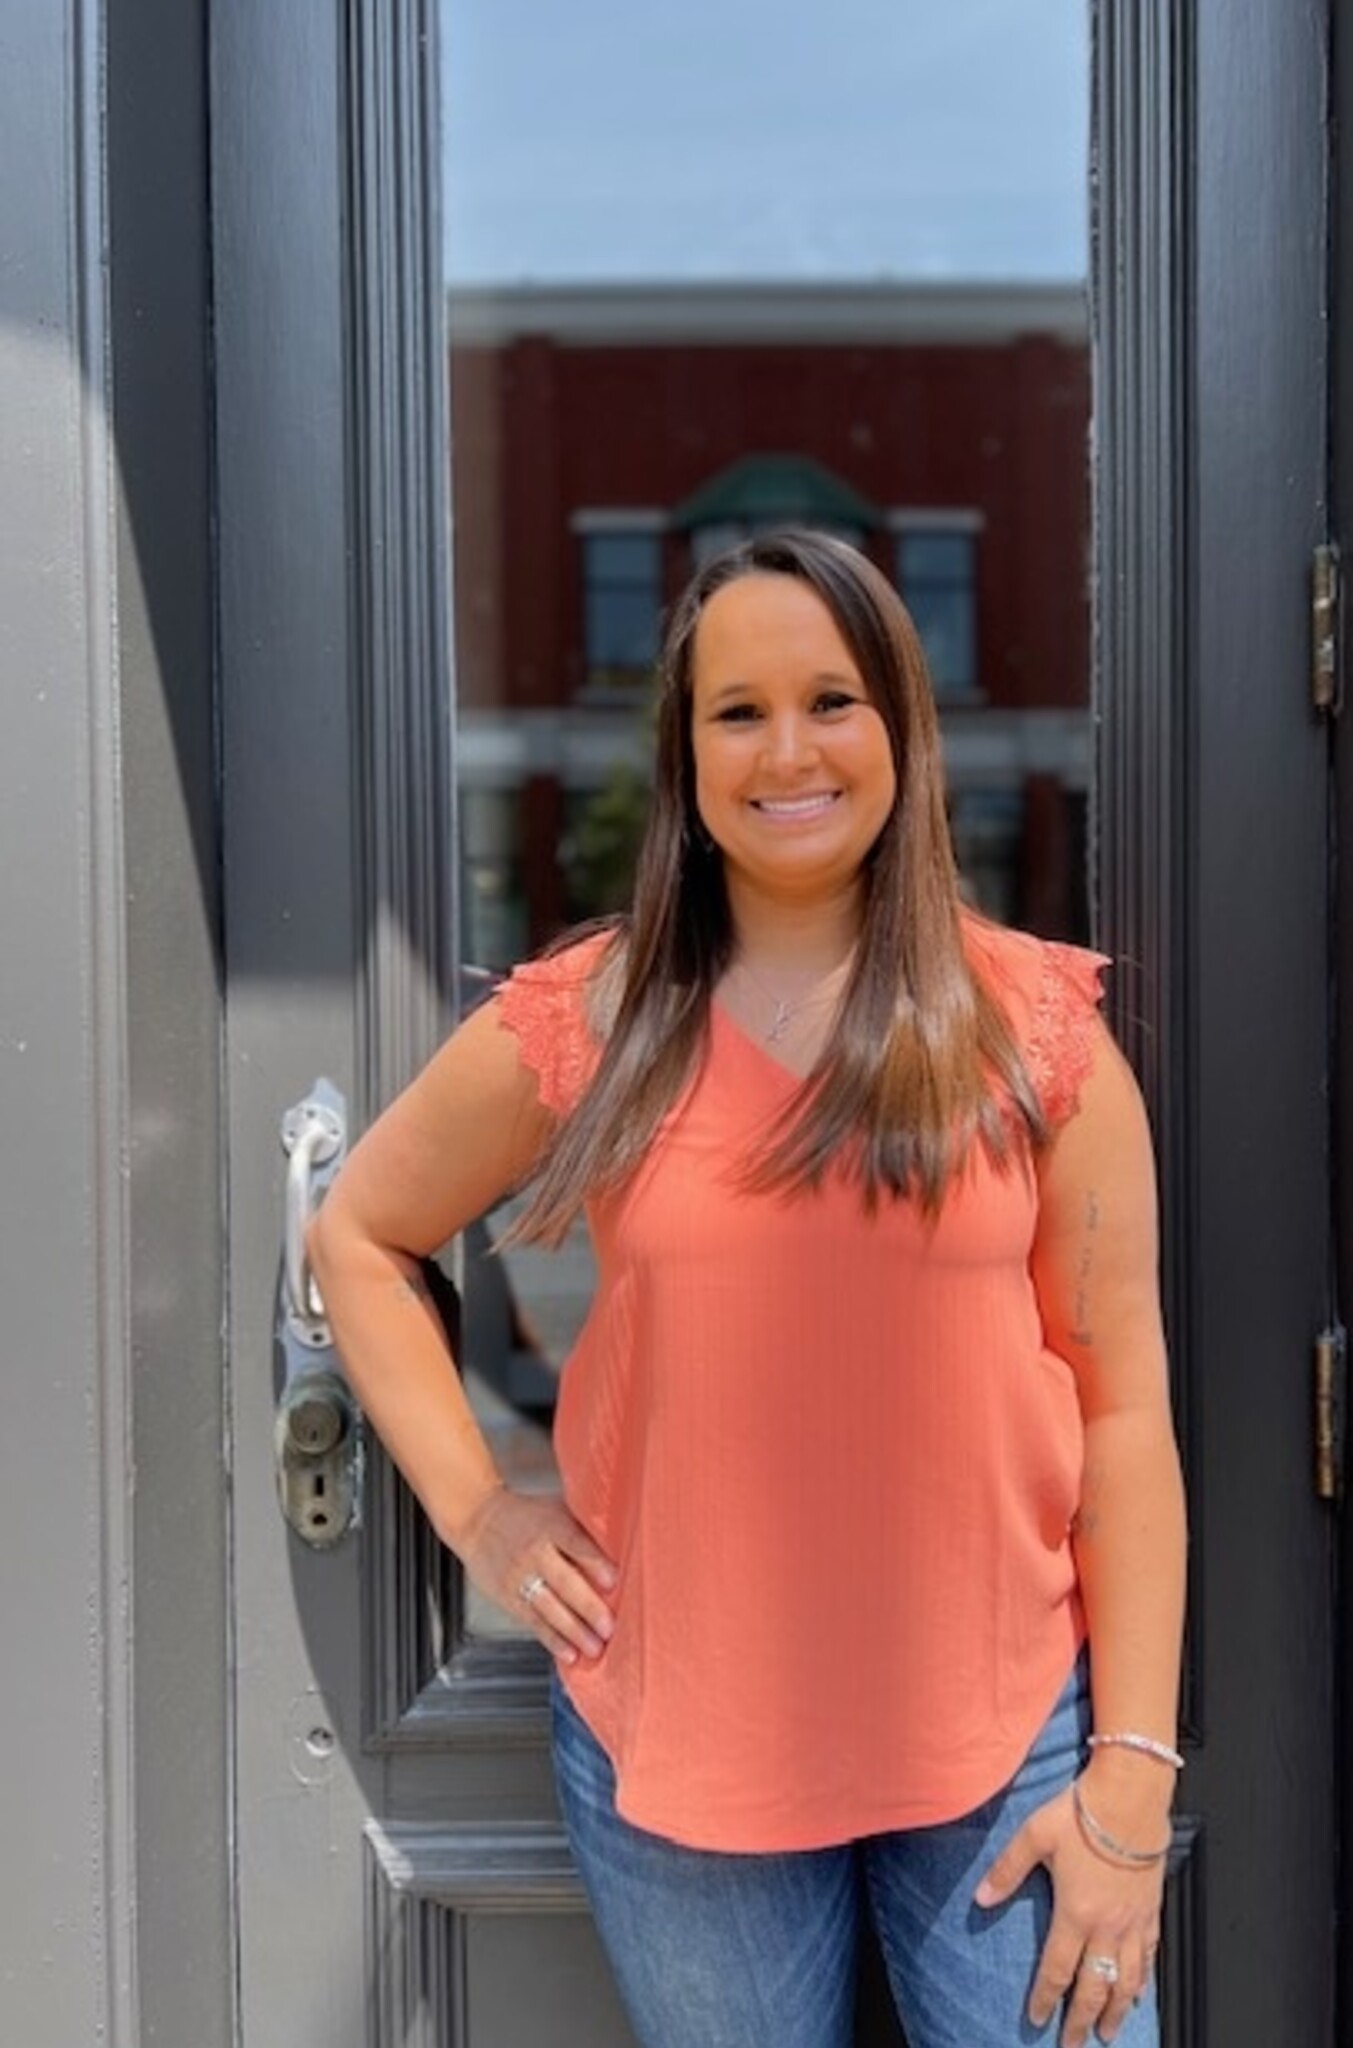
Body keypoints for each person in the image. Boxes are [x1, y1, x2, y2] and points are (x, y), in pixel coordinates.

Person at [306, 528, 1186, 2048]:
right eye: (737, 711)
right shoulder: (593, 1019)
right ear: (687, 755)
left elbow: (1123, 1416)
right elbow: (361, 1237)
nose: (789, 750)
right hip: (688, 1739)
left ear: (902, 726)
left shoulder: (1036, 1035)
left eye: (833, 699)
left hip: (1007, 1738)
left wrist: (1132, 1777)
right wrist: (481, 1511)